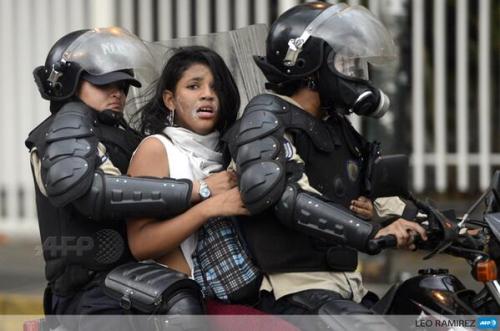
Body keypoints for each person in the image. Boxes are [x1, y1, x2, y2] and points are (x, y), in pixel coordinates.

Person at [223, 1, 427, 321]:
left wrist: (445, 228)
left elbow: (378, 193)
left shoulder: (336, 126)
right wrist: (367, 231)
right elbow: (286, 197)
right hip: (296, 292)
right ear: (310, 65)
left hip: (349, 289)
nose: (357, 75)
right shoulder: (265, 118)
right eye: (345, 63)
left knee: (438, 308)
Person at [25, 27, 206, 317]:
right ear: (70, 82)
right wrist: (197, 191)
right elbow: (93, 191)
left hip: (133, 279)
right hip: (91, 293)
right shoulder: (63, 133)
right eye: (103, 84)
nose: (118, 93)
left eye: (122, 86)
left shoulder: (121, 135)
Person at [127, 46, 258, 307]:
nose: (207, 95)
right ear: (170, 100)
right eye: (194, 86)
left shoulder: (232, 149)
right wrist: (208, 207)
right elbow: (140, 244)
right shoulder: (157, 149)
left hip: (247, 291)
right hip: (186, 302)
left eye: (215, 87)